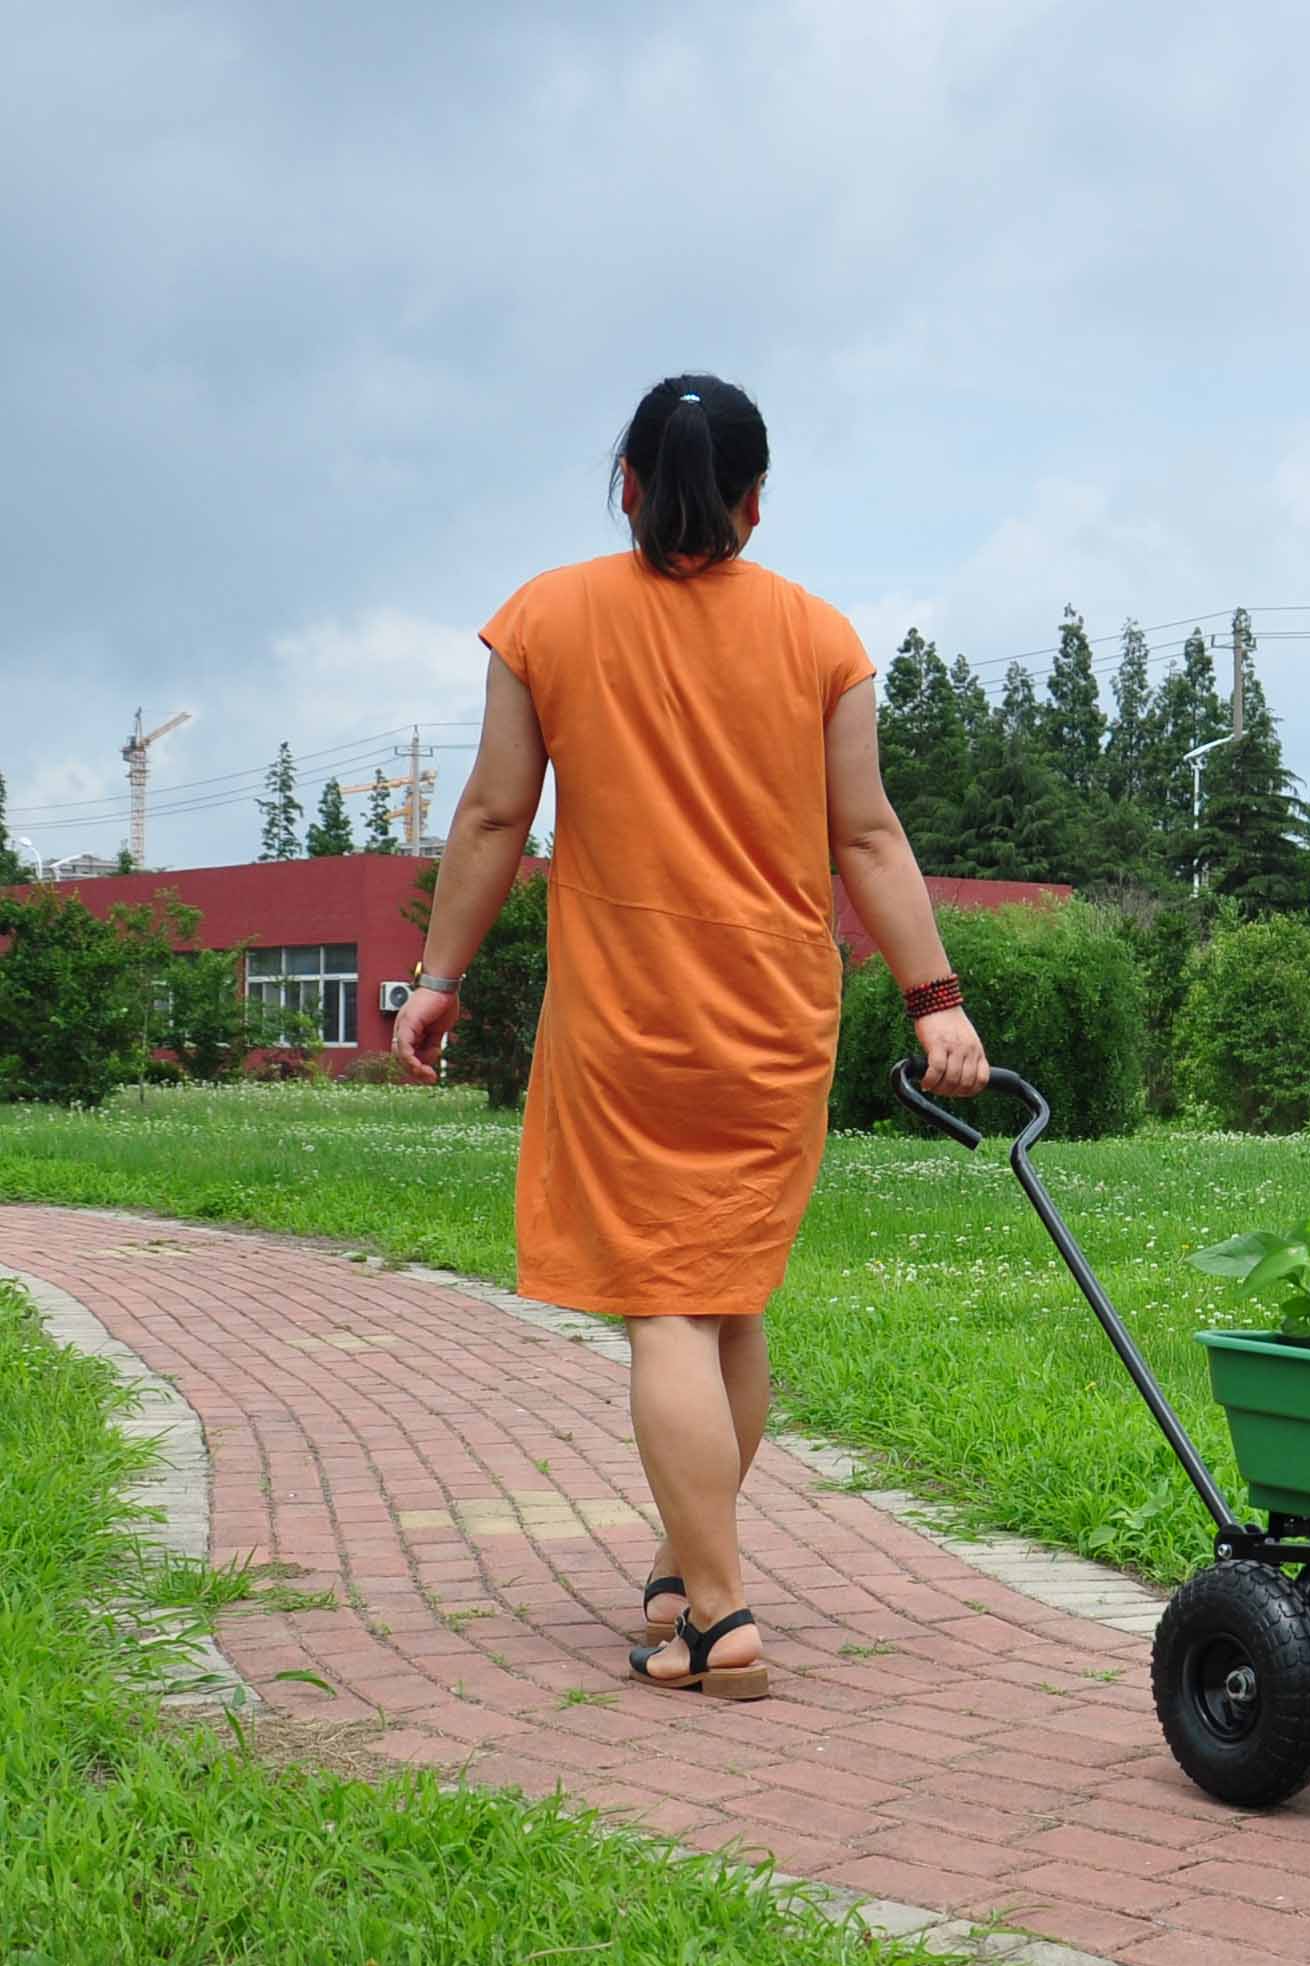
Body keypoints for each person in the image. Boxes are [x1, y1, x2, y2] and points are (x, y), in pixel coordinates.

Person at [395, 371, 989, 1703]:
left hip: (627, 1014)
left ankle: (718, 1619)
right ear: (756, 502)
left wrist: (435, 980)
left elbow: (495, 818)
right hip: (779, 1015)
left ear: (624, 484)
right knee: (727, 1300)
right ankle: (682, 1567)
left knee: (663, 1302)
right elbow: (869, 837)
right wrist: (937, 998)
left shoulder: (545, 619)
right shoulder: (821, 640)